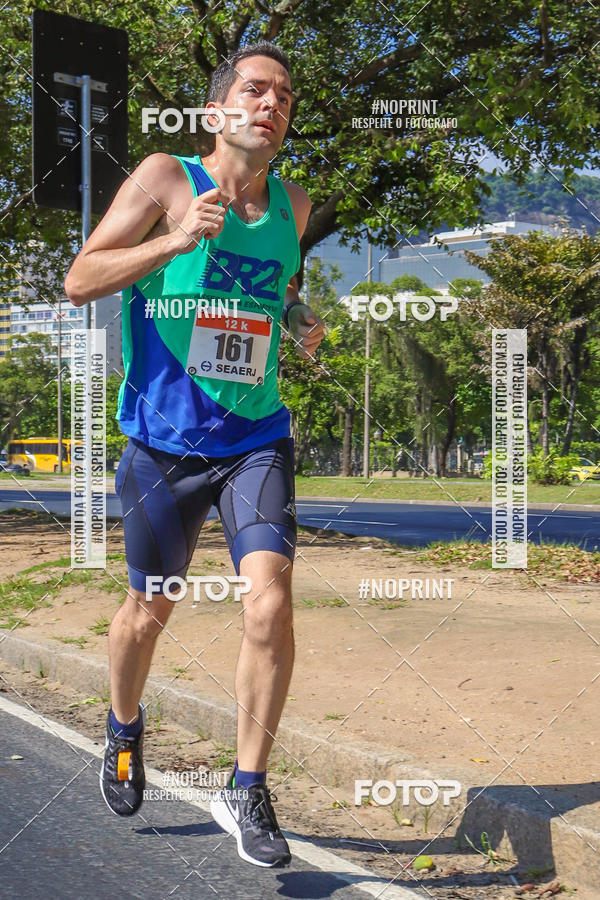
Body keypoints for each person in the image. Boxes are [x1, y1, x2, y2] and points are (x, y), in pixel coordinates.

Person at [64, 40, 324, 868]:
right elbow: (81, 278)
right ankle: (122, 728)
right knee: (150, 609)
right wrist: (174, 242)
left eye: (283, 96)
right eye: (254, 89)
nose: (270, 104)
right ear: (216, 111)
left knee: (270, 602)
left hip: (255, 437)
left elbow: (273, 289)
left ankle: (247, 786)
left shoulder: (296, 203)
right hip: (163, 443)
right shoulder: (164, 177)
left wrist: (298, 321)